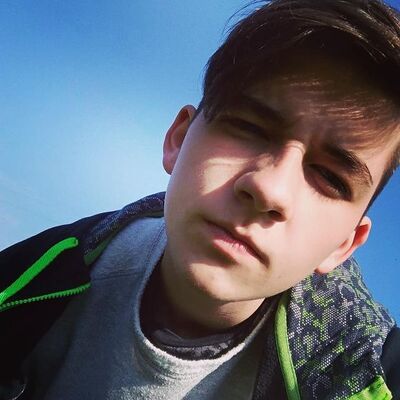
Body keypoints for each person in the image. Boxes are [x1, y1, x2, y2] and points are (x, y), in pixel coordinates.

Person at [1, 0, 400, 398]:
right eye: (248, 127)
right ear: (177, 140)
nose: (269, 189)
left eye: (330, 177)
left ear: (344, 245)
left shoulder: (371, 375)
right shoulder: (34, 275)